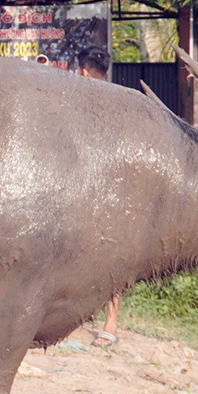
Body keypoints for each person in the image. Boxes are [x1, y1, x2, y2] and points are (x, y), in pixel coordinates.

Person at [77, 48, 122, 347]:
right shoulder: (122, 101)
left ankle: (79, 322)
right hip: (115, 187)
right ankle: (110, 325)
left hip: (86, 184)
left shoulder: (80, 100)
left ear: (83, 71)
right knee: (113, 254)